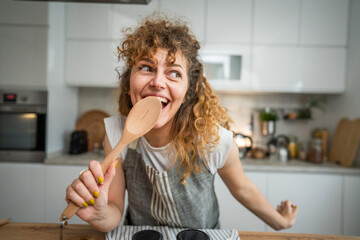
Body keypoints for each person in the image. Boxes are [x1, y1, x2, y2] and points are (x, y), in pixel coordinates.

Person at [65, 13, 298, 233]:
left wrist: (280, 222)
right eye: (146, 68)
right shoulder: (117, 134)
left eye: (174, 73)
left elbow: (243, 189)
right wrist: (99, 214)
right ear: (128, 83)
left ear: (188, 92)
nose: (157, 82)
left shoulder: (213, 141)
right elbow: (113, 211)